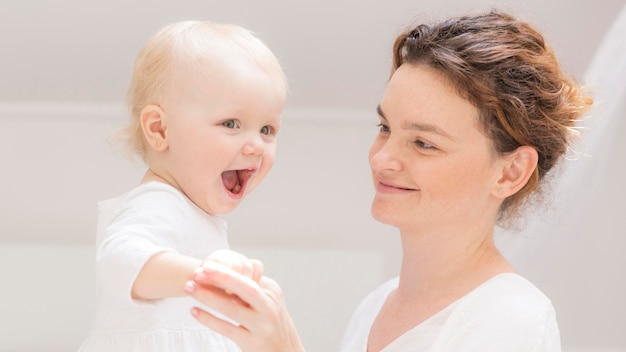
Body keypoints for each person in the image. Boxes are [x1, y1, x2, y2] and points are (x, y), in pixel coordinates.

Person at [184, 9, 593, 352]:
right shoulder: (376, 306)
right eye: (384, 126)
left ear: (510, 172)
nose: (382, 158)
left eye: (423, 143)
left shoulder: (511, 319)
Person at [78, 20, 287, 352]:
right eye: (231, 123)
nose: (256, 146)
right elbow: (119, 260)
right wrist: (206, 274)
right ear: (160, 129)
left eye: (267, 129)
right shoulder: (157, 203)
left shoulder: (195, 215)